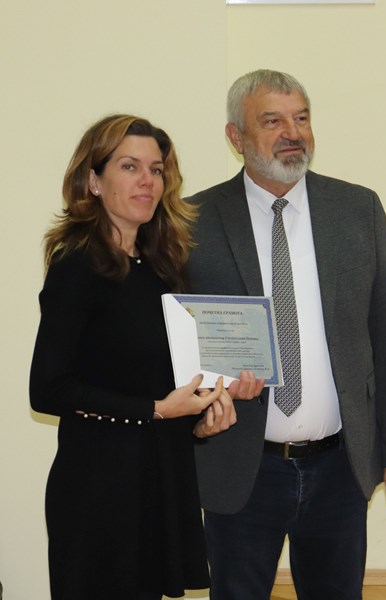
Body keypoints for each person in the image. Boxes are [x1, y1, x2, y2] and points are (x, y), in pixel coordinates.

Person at [186, 70, 386, 600]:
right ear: (235, 137)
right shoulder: (192, 220)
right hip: (241, 468)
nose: (292, 133)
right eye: (272, 121)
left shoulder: (357, 209)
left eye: (301, 118)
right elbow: (174, 341)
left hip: (340, 468)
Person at [29, 114, 236, 600]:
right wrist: (158, 410)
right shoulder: (76, 265)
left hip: (161, 482)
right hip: (99, 491)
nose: (147, 180)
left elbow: (154, 380)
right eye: (129, 167)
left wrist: (200, 418)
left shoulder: (166, 268)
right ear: (93, 181)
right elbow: (48, 390)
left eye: (156, 169)